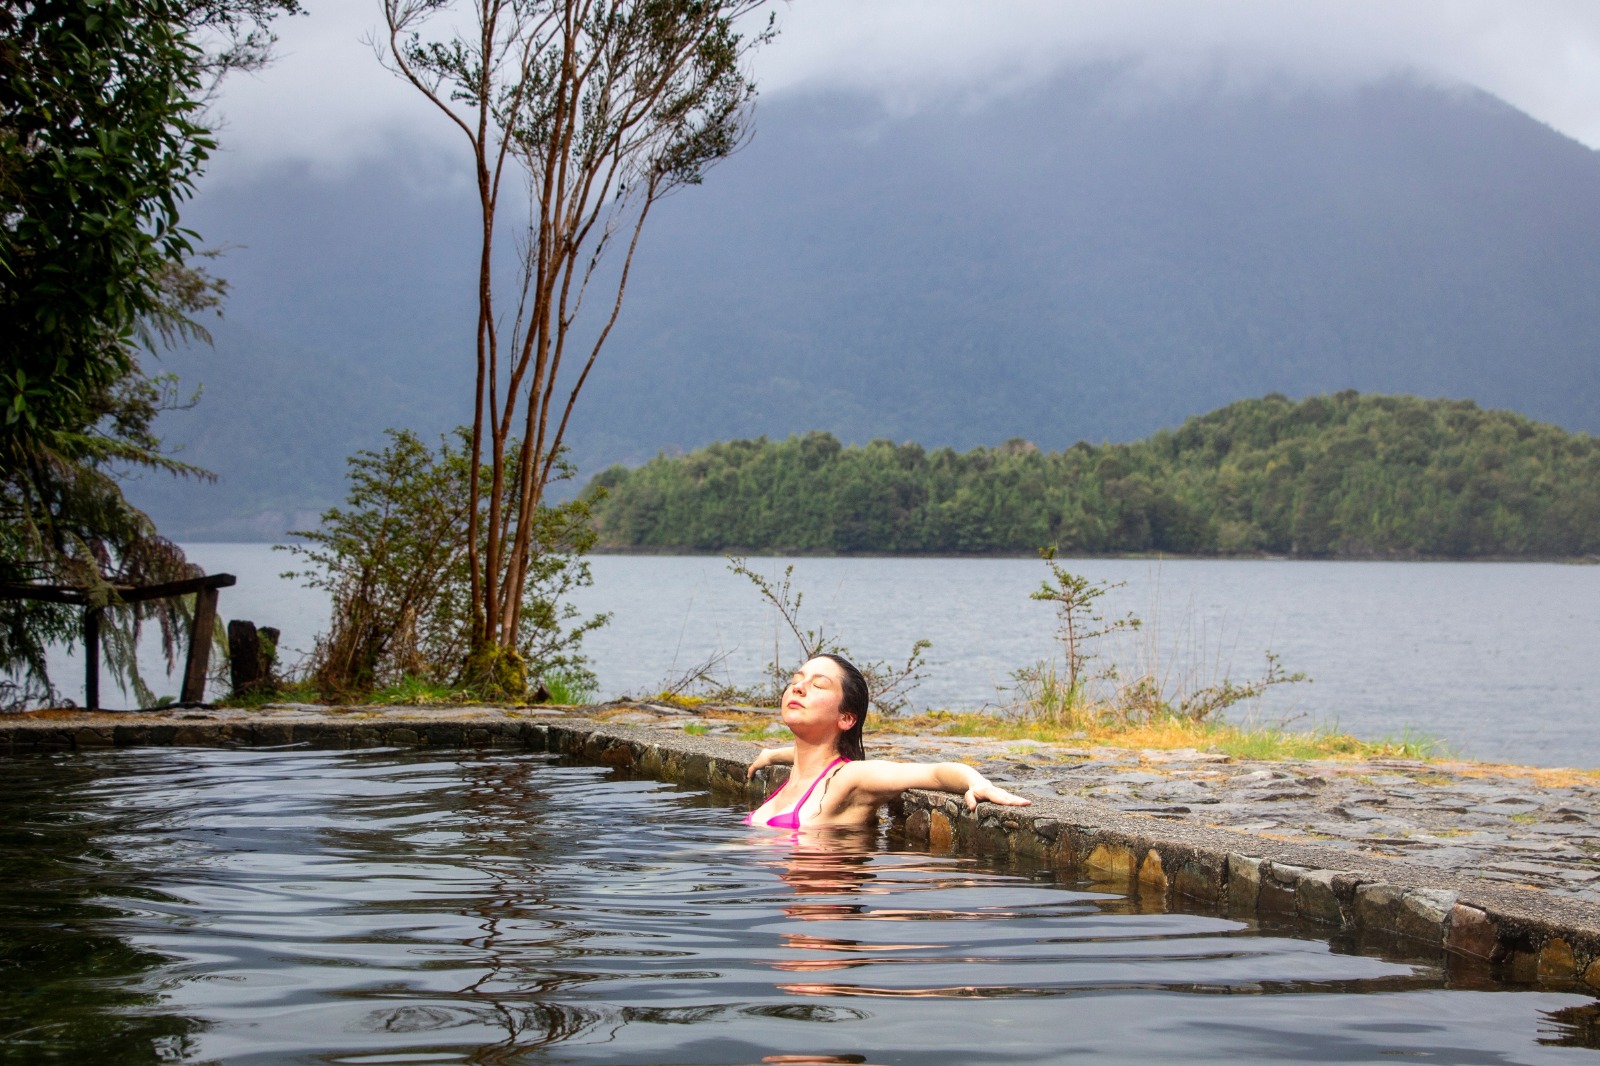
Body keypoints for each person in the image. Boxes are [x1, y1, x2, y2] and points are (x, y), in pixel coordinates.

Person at [744, 653, 1030, 830]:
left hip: (826, 906)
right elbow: (809, 757)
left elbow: (933, 773)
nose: (798, 687)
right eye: (796, 679)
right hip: (789, 906)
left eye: (818, 685)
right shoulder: (800, 774)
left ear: (846, 718)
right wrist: (771, 755)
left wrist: (976, 782)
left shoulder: (850, 777)